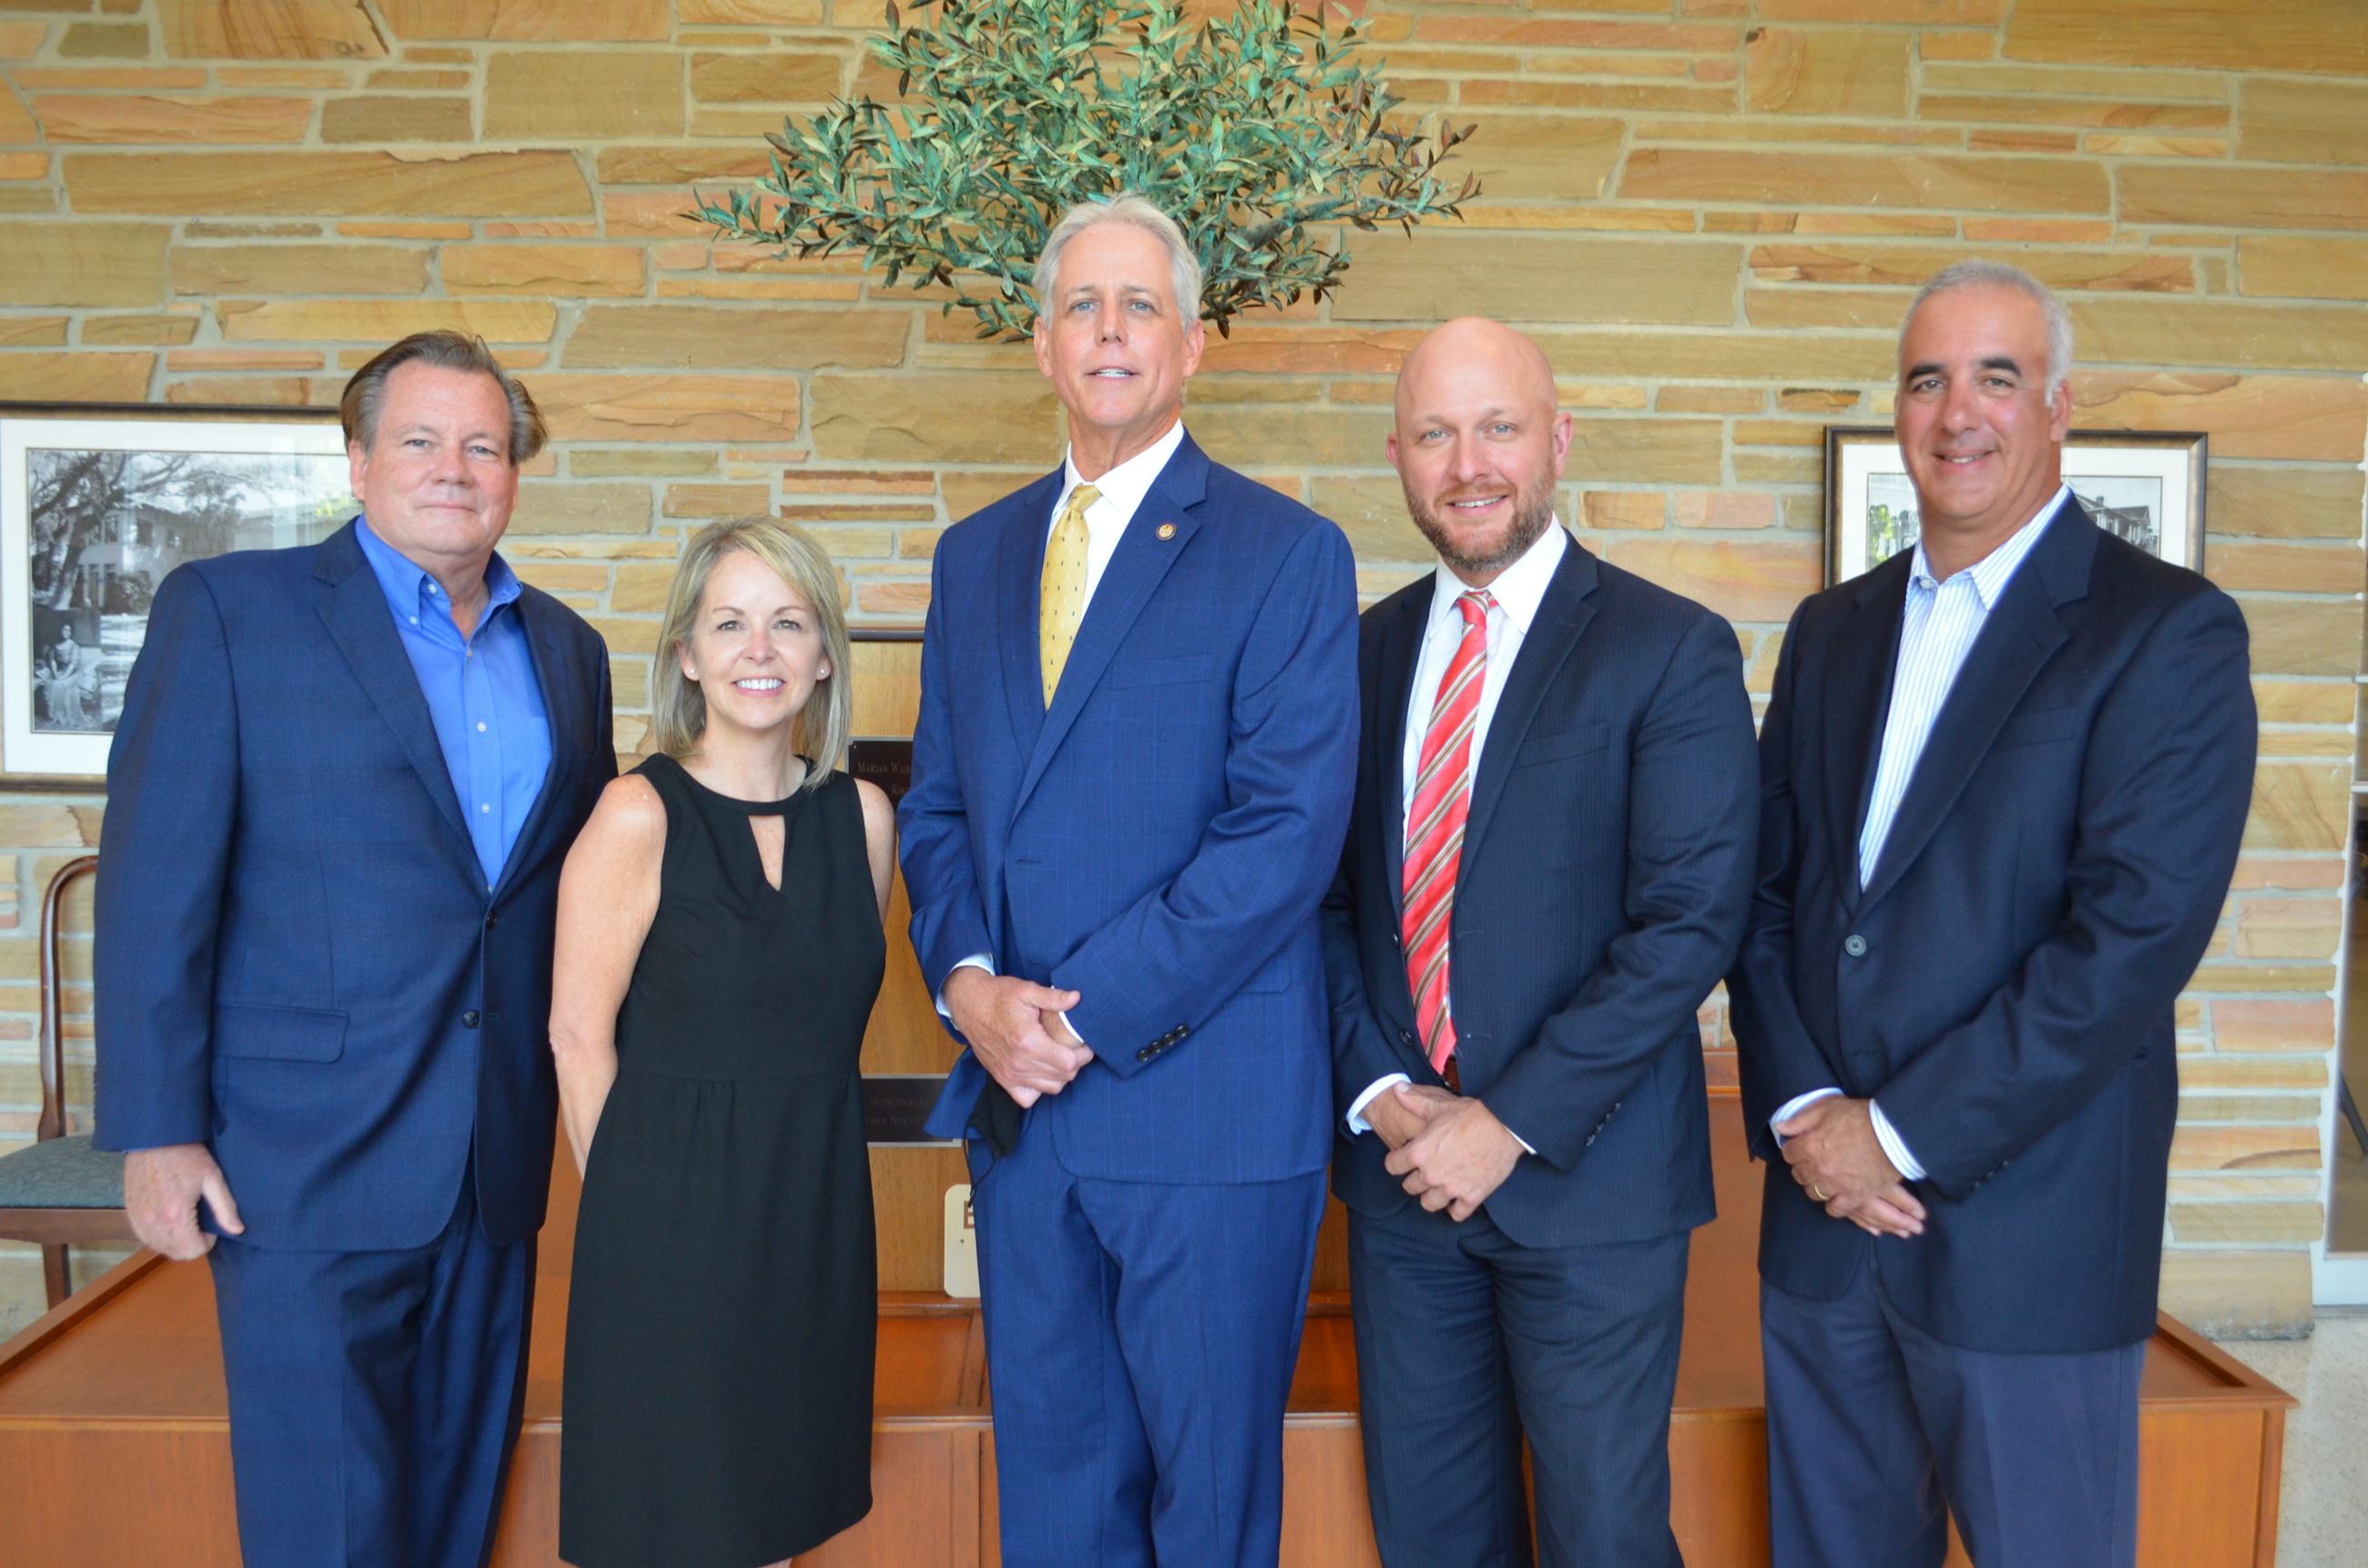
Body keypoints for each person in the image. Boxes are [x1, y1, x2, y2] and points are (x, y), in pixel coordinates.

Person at [1728, 261, 2257, 1568]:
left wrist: (1892, 1134)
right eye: (1927, 378)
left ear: (2061, 405)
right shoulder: (1830, 630)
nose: (1958, 410)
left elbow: (2125, 947)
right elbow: (1768, 894)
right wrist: (1805, 1115)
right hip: (1824, 1223)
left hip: (2029, 1230)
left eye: (1997, 376)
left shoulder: (2165, 633)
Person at [93, 331, 616, 1567]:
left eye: (484, 444)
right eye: (422, 439)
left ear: (515, 471)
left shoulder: (569, 653)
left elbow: (577, 903)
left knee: (451, 1520)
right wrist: (156, 1131)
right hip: (301, 1169)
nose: (455, 467)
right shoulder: (231, 613)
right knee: (325, 1530)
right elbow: (156, 884)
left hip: (493, 1168)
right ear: (359, 459)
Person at [898, 192, 1360, 1567]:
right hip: (1029, 1131)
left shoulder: (1286, 554)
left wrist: (1073, 1020)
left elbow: (1281, 840)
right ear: (1041, 345)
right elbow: (938, 807)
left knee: (1207, 1515)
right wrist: (971, 985)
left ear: (1193, 344)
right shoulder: (973, 557)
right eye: (1082, 307)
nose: (1110, 331)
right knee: (1054, 1507)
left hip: (1203, 1122)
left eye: (1140, 304)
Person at [1320, 318, 1758, 1568]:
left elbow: (1690, 924)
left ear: (1557, 441)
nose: (1469, 463)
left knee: (1604, 1537)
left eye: (1499, 426)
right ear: (1397, 455)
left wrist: (1500, 1121)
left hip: (1589, 1188)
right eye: (1436, 433)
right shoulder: (1359, 655)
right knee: (1434, 1537)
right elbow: (1327, 903)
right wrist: (1380, 1088)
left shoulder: (1667, 648)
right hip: (1404, 1191)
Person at [551, 517, 894, 1568]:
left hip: (815, 1223)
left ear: (824, 655)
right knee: (683, 1527)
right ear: (687, 657)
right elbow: (575, 1037)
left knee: (775, 1524)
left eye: (788, 623)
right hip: (669, 1230)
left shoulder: (866, 820)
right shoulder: (634, 816)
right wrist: (636, 1234)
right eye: (730, 623)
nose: (760, 650)